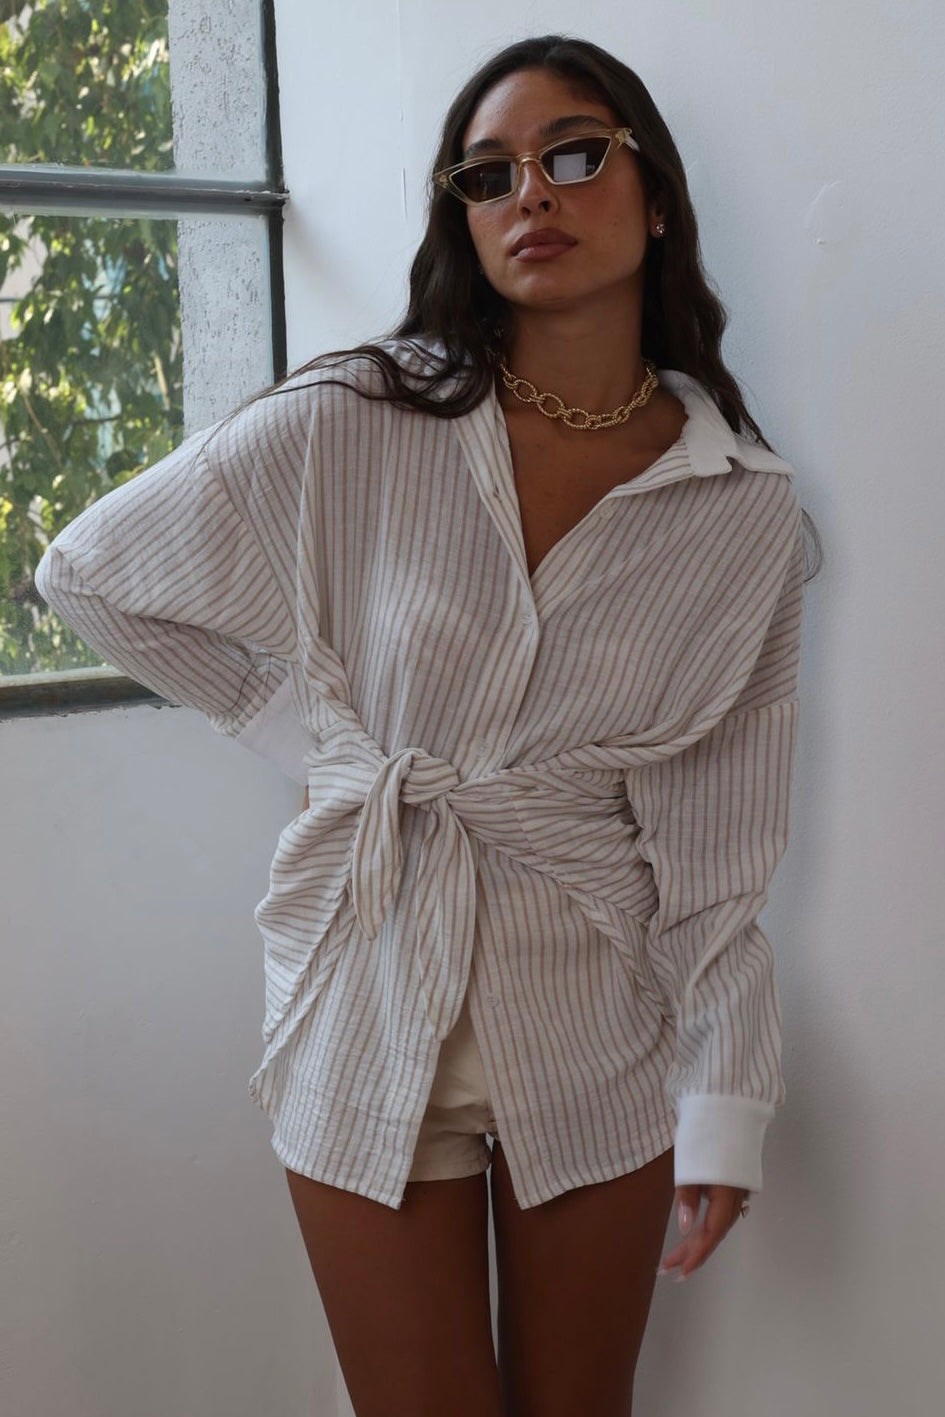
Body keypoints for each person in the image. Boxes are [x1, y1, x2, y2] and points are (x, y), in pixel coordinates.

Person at [35, 33, 818, 1417]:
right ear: (461, 215)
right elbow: (92, 572)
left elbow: (718, 845)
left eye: (574, 154)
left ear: (655, 197)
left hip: (597, 1019)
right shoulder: (357, 415)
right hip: (364, 994)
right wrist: (311, 743)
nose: (533, 194)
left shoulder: (738, 509)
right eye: (488, 173)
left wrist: (725, 1101)